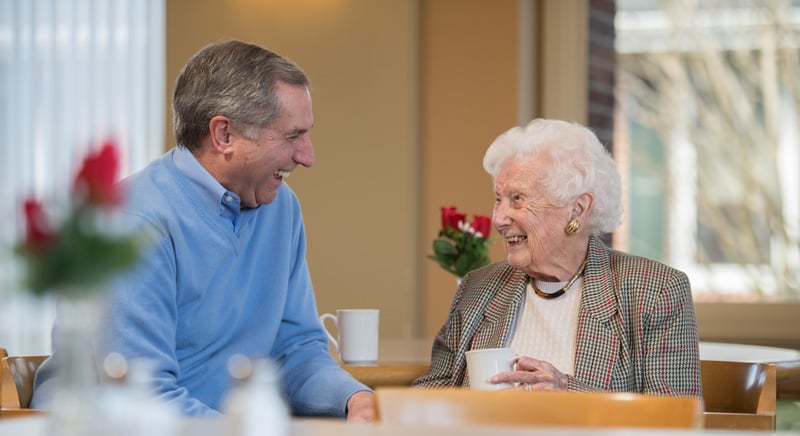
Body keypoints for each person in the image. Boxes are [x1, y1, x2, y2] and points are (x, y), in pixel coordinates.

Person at [32, 39, 375, 420]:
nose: (307, 157)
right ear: (224, 135)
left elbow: (296, 349)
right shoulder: (132, 223)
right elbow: (143, 399)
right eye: (293, 136)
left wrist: (355, 399)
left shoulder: (282, 209)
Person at [413, 118, 701, 396]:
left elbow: (675, 420)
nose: (499, 219)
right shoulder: (479, 288)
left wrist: (569, 393)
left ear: (577, 209)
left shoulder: (655, 291)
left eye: (517, 199)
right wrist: (374, 403)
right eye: (498, 199)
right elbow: (434, 391)